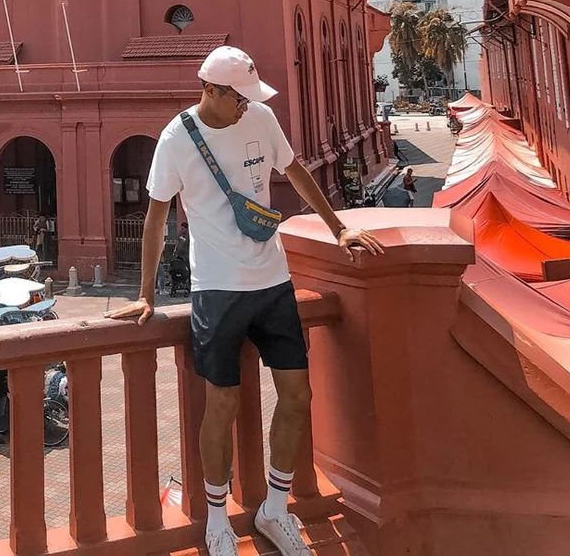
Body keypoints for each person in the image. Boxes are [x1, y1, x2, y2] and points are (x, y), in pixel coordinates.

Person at [108, 46, 384, 556]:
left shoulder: (259, 115)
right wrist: (144, 294)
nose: (245, 107)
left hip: (272, 279)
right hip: (216, 287)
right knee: (223, 403)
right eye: (237, 97)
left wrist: (340, 228)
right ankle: (217, 519)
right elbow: (154, 218)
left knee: (298, 397)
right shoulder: (176, 139)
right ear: (210, 90)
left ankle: (274, 509)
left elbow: (295, 170)